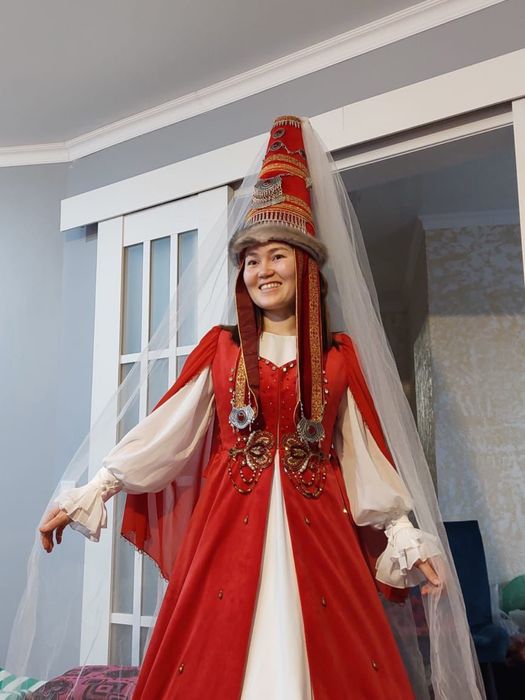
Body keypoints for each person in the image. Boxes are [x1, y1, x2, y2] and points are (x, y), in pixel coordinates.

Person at [35, 115, 484, 699]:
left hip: (320, 533)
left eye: (277, 255)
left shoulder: (338, 358)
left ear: (306, 265)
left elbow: (362, 459)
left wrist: (404, 536)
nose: (262, 270)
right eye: (251, 259)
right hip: (228, 529)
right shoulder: (222, 350)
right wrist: (93, 491)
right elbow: (166, 432)